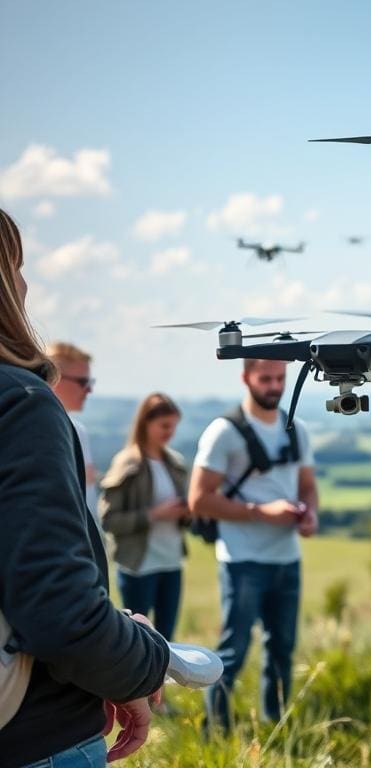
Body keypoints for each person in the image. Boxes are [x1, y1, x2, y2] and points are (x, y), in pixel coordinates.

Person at [0, 207, 168, 767]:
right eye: (16, 265)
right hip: (35, 738)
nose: (25, 283)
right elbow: (62, 616)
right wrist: (143, 657)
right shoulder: (20, 406)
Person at [189, 358, 318, 732]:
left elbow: (307, 485)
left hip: (287, 558)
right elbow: (199, 500)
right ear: (245, 377)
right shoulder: (223, 432)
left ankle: (276, 727)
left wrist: (310, 514)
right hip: (242, 559)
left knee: (282, 650)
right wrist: (263, 512)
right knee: (232, 653)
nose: (274, 386)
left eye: (280, 378)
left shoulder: (297, 428)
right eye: (266, 378)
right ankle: (216, 735)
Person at [100, 393, 190, 642]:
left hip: (172, 563)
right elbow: (109, 520)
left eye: (173, 426)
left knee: (166, 643)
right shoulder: (126, 463)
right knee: (140, 642)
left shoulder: (175, 462)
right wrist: (154, 515)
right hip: (139, 566)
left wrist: (186, 513)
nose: (169, 432)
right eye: (164, 426)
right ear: (145, 423)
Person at [46, 341, 99, 519]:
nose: (89, 390)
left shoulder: (79, 431)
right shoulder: (37, 431)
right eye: (83, 382)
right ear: (56, 378)